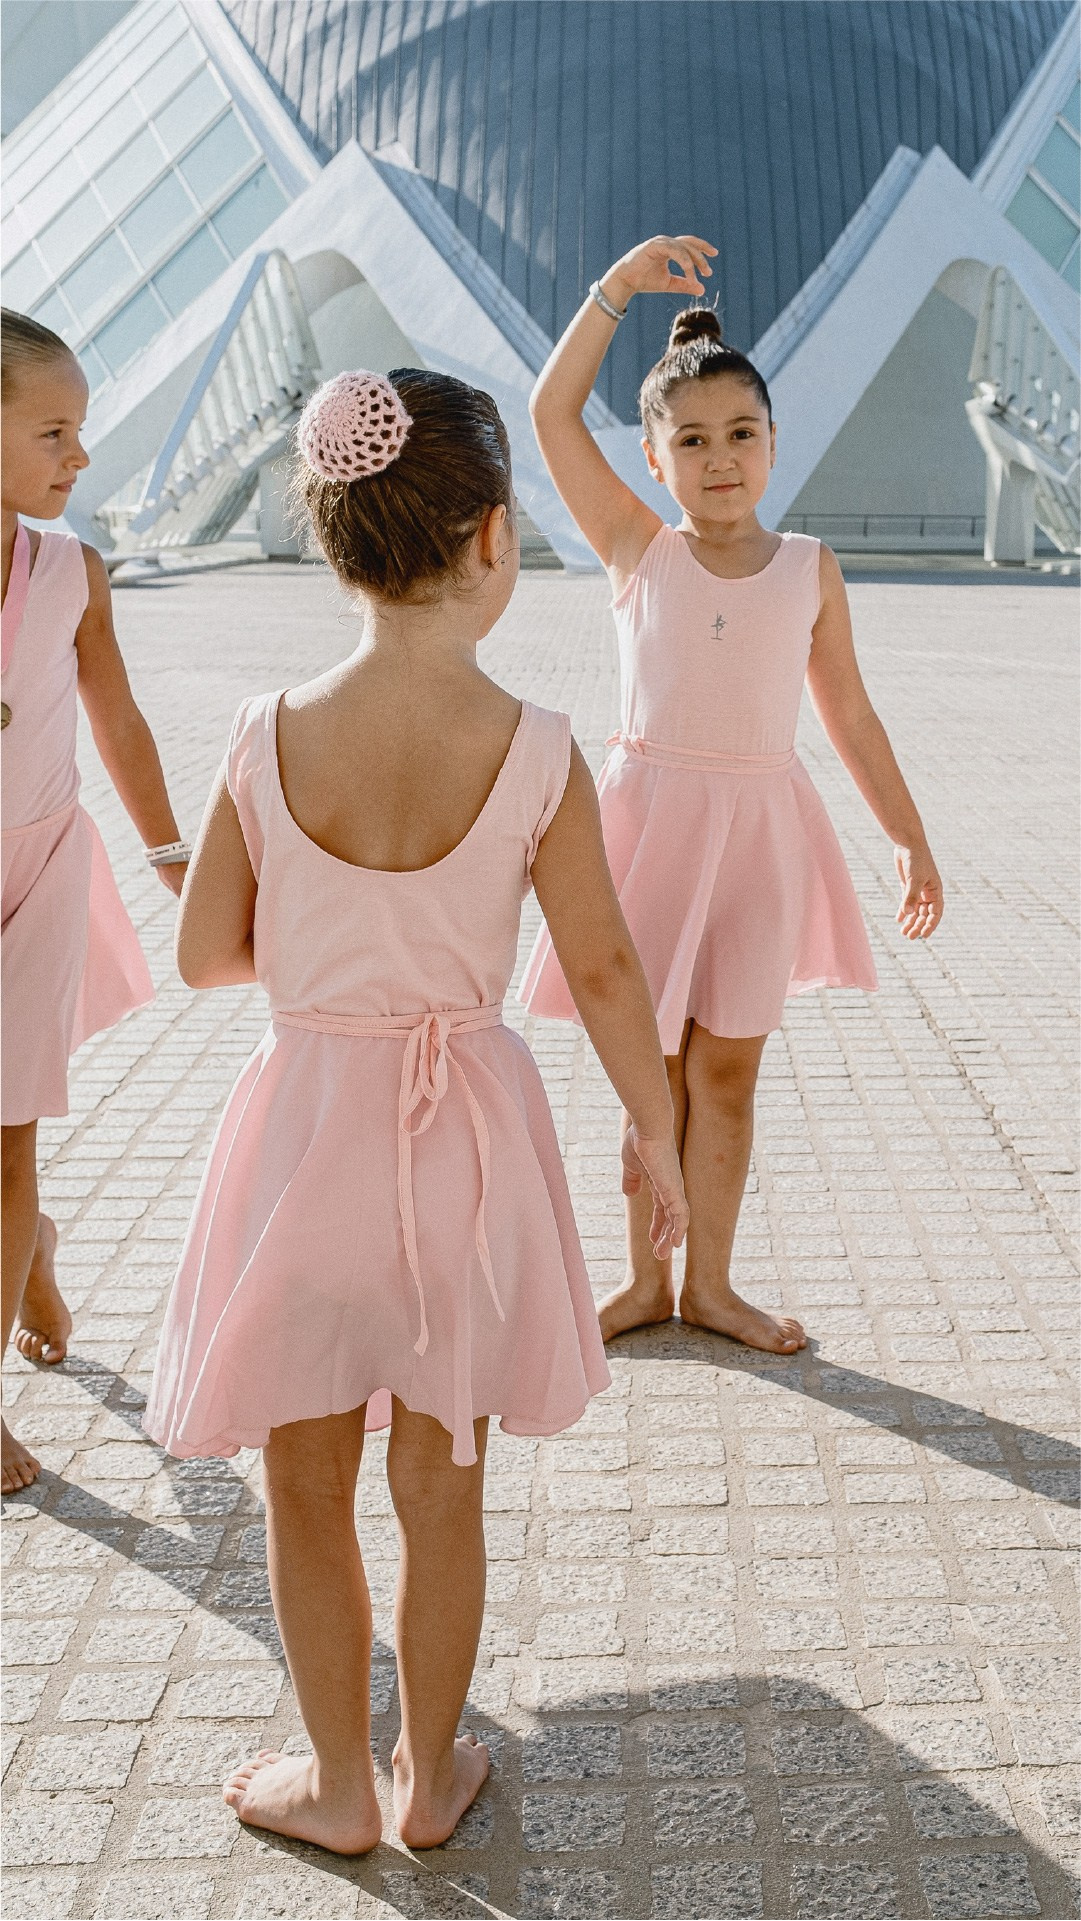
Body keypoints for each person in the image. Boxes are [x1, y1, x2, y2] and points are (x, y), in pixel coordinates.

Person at [144, 367, 687, 1854]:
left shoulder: (263, 731)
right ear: (493, 536)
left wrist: (328, 967)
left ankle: (335, 1781)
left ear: (332, 540)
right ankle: (429, 1775)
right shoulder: (538, 746)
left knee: (303, 1477)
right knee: (444, 1482)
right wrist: (654, 1128)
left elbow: (201, 954)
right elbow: (605, 966)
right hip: (465, 1151)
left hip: (305, 1137)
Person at [520, 233, 944, 1355]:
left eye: (741, 433)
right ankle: (641, 1282)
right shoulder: (637, 549)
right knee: (648, 1074)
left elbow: (848, 713)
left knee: (727, 1071)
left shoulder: (809, 566)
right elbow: (549, 416)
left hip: (761, 836)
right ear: (653, 459)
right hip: (650, 834)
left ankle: (709, 1284)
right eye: (692, 440)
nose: (720, 458)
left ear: (773, 441)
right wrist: (615, 288)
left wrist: (907, 836)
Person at [1, 310, 189, 1495]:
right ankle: (33, 1254)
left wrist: (173, 856)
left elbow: (116, 715)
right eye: (54, 431)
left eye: (81, 428)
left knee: (7, 1136)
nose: (79, 455)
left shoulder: (73, 571)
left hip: (37, 878)